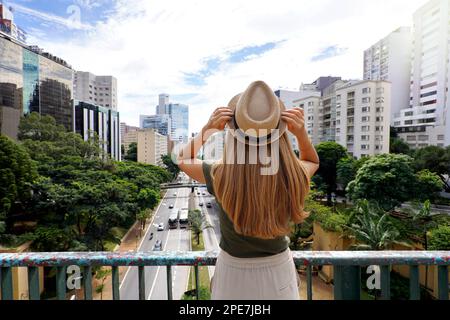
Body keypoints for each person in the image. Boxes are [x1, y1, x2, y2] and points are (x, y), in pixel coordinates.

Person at [177, 80, 319, 300]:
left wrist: (208, 130)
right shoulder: (292, 175)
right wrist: (300, 134)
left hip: (233, 274)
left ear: (235, 135)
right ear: (279, 134)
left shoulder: (220, 174)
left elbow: (183, 158)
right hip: (278, 273)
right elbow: (312, 160)